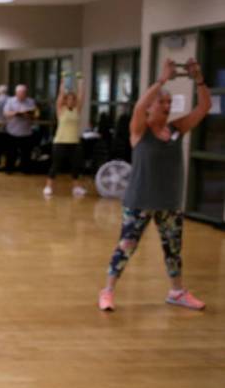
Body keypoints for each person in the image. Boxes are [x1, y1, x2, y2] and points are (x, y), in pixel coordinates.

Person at [98, 59, 211, 312]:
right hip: (139, 201)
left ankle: (177, 292)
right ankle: (107, 291)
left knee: (173, 250)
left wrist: (199, 79)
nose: (167, 107)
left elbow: (204, 107)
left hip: (169, 202)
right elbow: (138, 106)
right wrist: (162, 80)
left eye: (169, 103)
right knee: (126, 247)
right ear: (150, 107)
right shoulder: (140, 130)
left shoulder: (176, 129)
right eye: (162, 102)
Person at [44, 73, 87, 198]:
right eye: (69, 99)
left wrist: (80, 80)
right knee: (56, 165)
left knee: (76, 166)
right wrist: (64, 80)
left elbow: (82, 95)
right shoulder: (60, 110)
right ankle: (48, 186)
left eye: (73, 99)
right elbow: (61, 94)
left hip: (74, 142)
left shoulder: (77, 110)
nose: (71, 101)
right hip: (60, 142)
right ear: (65, 101)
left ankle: (76, 188)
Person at [3, 84, 38, 174]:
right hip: (12, 132)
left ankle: (25, 169)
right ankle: (9, 169)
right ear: (16, 93)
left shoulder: (31, 101)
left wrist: (28, 115)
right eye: (20, 93)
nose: (22, 95)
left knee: (26, 153)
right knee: (11, 153)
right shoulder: (10, 101)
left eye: (23, 93)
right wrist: (16, 113)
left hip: (26, 132)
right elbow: (6, 113)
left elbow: (35, 115)